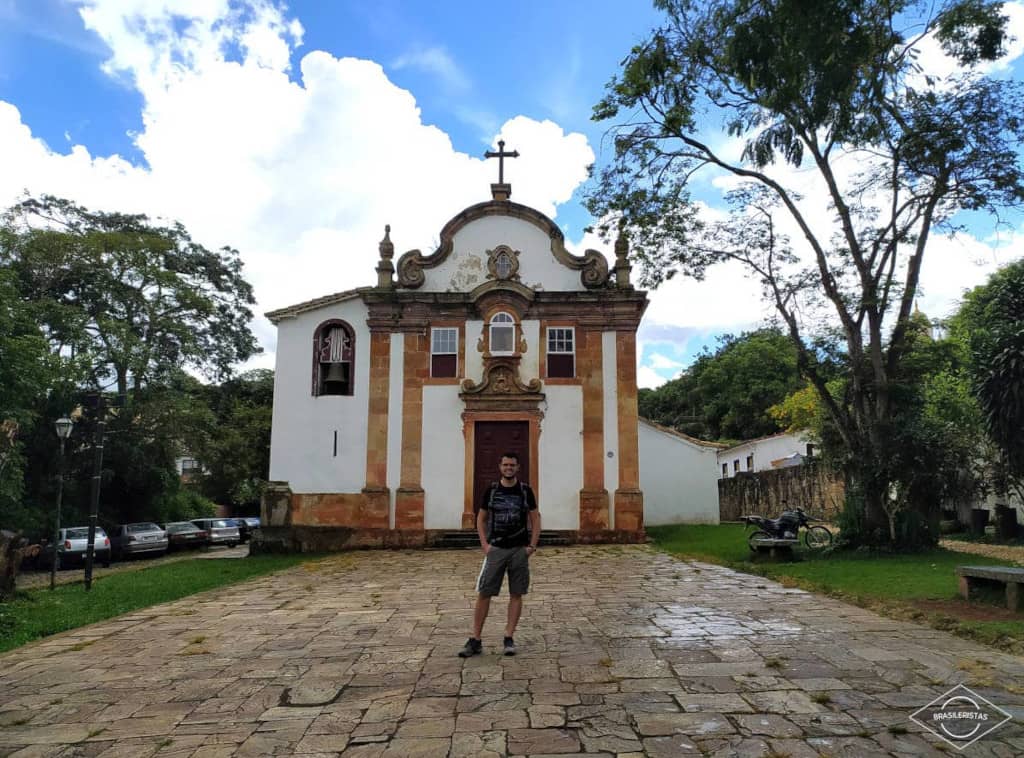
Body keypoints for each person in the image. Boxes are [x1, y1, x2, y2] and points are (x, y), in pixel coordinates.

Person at [458, 451, 540, 657]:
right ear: (500, 467)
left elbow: (535, 518)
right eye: (505, 465)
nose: (509, 468)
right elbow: (481, 517)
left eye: (512, 465)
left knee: (516, 593)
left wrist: (532, 546)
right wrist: (485, 544)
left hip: (519, 550)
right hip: (495, 549)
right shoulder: (492, 491)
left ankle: (508, 637)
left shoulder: (525, 491)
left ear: (518, 467)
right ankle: (475, 639)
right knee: (484, 593)